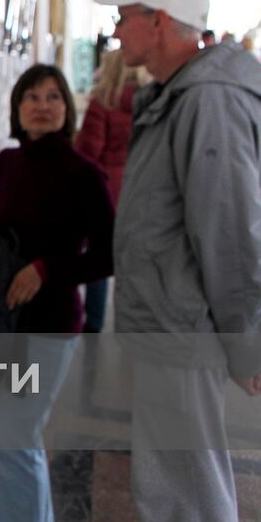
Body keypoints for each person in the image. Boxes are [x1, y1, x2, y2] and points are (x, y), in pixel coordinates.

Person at [92, 0, 261, 522]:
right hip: (169, 326)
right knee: (173, 486)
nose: (116, 29)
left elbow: (231, 235)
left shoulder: (208, 101)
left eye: (124, 16)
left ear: (160, 21)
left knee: (187, 491)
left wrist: (248, 341)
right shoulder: (184, 96)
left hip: (184, 330)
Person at [0, 64, 115, 522]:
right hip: (1, 322)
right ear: (17, 108)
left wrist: (46, 270)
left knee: (14, 436)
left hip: (50, 326)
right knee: (17, 434)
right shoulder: (8, 162)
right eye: (31, 96)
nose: (42, 105)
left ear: (66, 109)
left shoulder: (84, 175)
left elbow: (107, 254)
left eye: (52, 96)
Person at [73, 49, 150, 332]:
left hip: (105, 192)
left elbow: (89, 152)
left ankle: (94, 324)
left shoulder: (103, 103)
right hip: (141, 190)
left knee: (99, 260)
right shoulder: (151, 102)